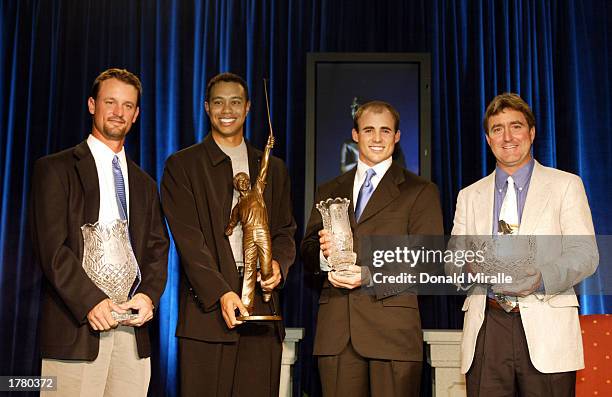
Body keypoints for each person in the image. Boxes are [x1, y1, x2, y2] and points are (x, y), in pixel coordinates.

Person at [29, 68, 169, 396]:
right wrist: (91, 301)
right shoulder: (54, 169)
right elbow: (51, 250)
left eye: (127, 105)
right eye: (110, 102)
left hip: (132, 336)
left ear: (136, 115)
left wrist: (148, 296)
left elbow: (156, 249)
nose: (118, 112)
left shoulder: (146, 184)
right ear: (92, 105)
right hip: (76, 329)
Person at [450, 93, 599, 396]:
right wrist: (467, 265)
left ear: (531, 133)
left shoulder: (566, 185)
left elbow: (586, 254)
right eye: (497, 128)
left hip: (547, 322)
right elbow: (453, 258)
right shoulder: (469, 195)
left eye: (515, 126)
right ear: (488, 138)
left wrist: (541, 278)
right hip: (487, 326)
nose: (507, 137)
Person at [161, 72, 296, 397]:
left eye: (235, 102)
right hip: (207, 316)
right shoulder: (182, 166)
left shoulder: (272, 169)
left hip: (262, 312)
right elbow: (189, 242)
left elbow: (285, 230)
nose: (227, 109)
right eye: (218, 102)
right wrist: (221, 293)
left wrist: (278, 263)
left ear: (248, 108)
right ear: (207, 108)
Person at [301, 100, 444, 396]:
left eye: (385, 130)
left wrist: (368, 275)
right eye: (368, 130)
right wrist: (323, 254)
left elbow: (428, 261)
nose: (377, 138)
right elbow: (308, 249)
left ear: (397, 136)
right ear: (355, 135)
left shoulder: (420, 191)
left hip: (392, 334)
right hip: (337, 333)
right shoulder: (328, 189)